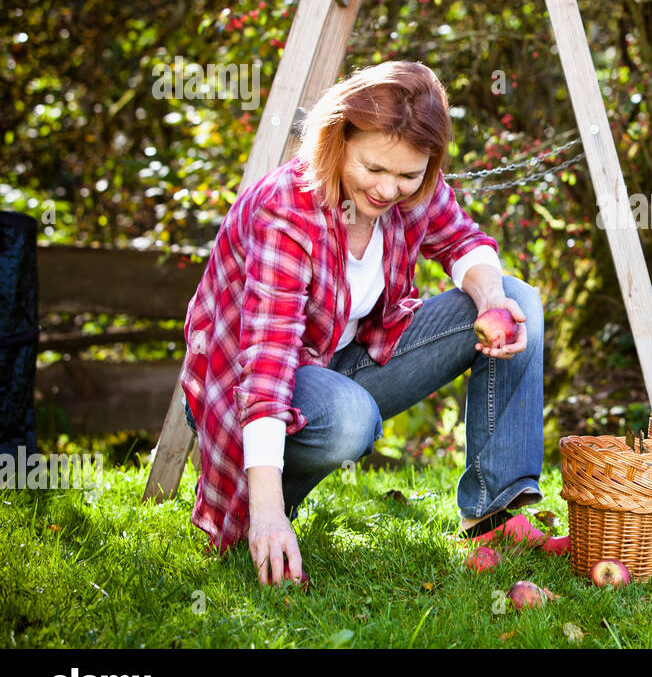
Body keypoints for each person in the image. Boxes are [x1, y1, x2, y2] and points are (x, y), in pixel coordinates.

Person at [179, 60, 544, 584]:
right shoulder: (287, 211)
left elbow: (462, 239)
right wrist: (262, 510)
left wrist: (489, 299)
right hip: (251, 389)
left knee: (517, 299)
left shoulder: (410, 184)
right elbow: (264, 366)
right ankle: (269, 505)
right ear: (339, 139)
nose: (388, 189)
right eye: (374, 169)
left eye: (408, 175)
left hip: (341, 363)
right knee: (350, 419)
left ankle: (495, 517)